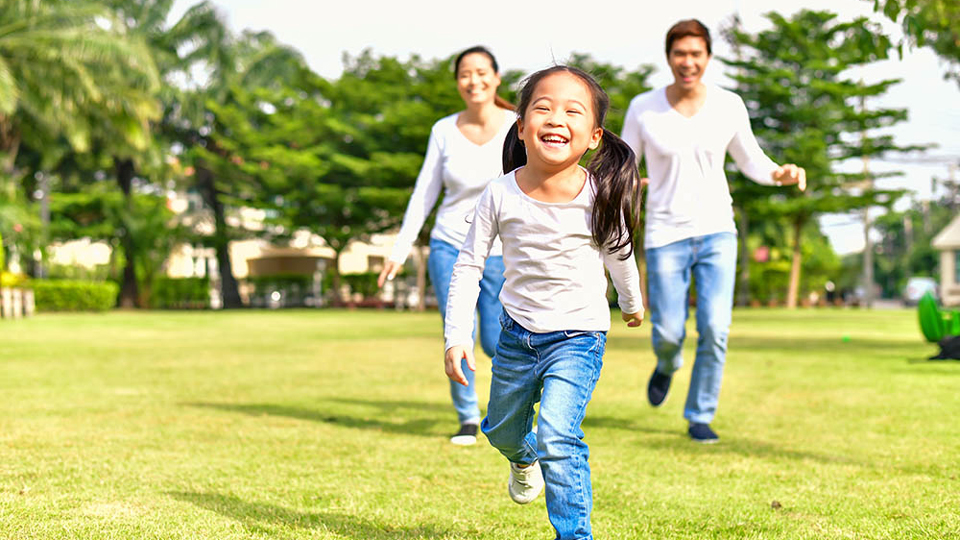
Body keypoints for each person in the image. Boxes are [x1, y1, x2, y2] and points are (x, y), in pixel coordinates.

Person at [444, 65, 644, 540]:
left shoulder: (601, 196)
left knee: (558, 435)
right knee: (502, 431)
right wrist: (456, 336)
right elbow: (469, 265)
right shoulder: (499, 193)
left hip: (579, 337)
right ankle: (521, 456)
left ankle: (574, 534)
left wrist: (632, 304)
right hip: (515, 336)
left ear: (594, 136)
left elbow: (621, 255)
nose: (557, 118)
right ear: (520, 125)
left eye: (573, 111)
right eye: (543, 107)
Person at [621, 19, 806, 443]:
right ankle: (667, 364)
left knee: (715, 328)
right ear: (668, 57)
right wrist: (626, 183)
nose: (688, 62)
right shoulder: (644, 107)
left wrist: (780, 173)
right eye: (680, 54)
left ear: (707, 57)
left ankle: (700, 414)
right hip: (666, 232)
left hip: (717, 229)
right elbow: (626, 163)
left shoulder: (728, 104)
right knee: (668, 330)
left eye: (696, 54)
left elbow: (752, 160)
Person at [377, 46, 515, 446]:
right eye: (465, 74)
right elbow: (424, 195)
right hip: (451, 244)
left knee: (496, 339)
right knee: (458, 331)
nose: (474, 81)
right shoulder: (443, 130)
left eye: (481, 72)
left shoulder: (517, 126)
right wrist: (399, 250)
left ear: (496, 77)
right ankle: (468, 417)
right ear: (458, 82)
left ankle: (509, 408)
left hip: (502, 250)